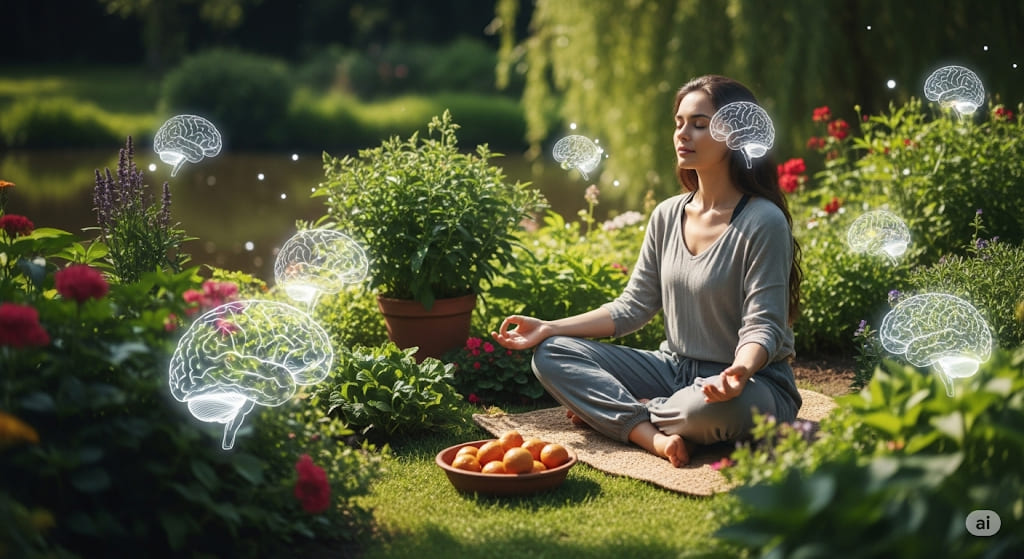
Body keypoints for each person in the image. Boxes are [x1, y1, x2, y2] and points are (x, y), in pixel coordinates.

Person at [491, 75, 803, 467]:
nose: (682, 134)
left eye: (700, 125)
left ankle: (629, 411)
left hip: (751, 384)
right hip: (674, 369)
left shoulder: (763, 220)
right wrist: (551, 327)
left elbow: (764, 325)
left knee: (699, 412)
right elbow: (633, 307)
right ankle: (653, 437)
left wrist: (738, 371)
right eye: (679, 123)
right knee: (551, 355)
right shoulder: (667, 214)